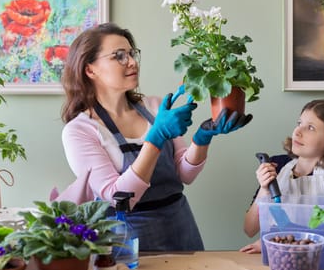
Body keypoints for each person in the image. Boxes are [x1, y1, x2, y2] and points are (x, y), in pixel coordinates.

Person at [60, 22, 252, 252]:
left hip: (181, 226)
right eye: (118, 56)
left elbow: (184, 174)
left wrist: (203, 137)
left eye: (132, 54)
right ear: (90, 70)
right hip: (129, 240)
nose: (132, 62)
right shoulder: (80, 131)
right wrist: (157, 136)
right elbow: (119, 197)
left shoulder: (154, 106)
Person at [240, 99, 324, 254]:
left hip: (314, 260)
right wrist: (264, 189)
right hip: (272, 257)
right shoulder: (278, 166)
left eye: (310, 127)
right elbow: (249, 228)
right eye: (299, 123)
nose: (297, 131)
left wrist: (277, 241)